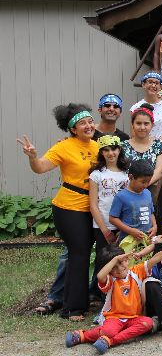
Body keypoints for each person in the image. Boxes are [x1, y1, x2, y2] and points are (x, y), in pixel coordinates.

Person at [18, 103, 98, 321]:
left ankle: (80, 300)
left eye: (90, 121)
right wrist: (32, 156)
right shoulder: (63, 147)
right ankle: (73, 308)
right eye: (82, 123)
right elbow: (41, 167)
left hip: (92, 207)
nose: (88, 126)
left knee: (83, 253)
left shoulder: (97, 146)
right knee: (79, 253)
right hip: (69, 207)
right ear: (72, 129)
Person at [65, 242, 162, 353]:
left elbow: (156, 258)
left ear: (126, 260)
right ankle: (82, 335)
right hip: (114, 318)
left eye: (121, 263)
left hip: (133, 318)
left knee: (147, 323)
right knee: (109, 331)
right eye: (114, 267)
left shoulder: (137, 272)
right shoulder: (110, 280)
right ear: (109, 269)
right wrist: (116, 259)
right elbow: (100, 276)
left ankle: (110, 341)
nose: (120, 268)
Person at [88, 135, 130, 300]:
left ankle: (120, 294)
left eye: (114, 149)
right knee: (104, 260)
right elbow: (93, 205)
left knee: (122, 260)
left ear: (119, 150)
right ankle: (100, 295)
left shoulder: (127, 174)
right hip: (102, 225)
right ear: (101, 153)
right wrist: (105, 230)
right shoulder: (96, 175)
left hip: (123, 225)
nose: (110, 153)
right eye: (106, 150)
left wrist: (123, 228)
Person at [122, 103, 162, 203]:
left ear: (152, 125)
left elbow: (159, 171)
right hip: (125, 193)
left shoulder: (159, 145)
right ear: (132, 125)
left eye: (146, 124)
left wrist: (141, 185)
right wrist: (131, 188)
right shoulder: (123, 146)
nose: (142, 127)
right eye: (138, 123)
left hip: (149, 193)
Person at [109, 160, 157, 242]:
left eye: (148, 182)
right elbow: (112, 219)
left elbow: (151, 212)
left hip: (146, 239)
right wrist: (130, 231)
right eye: (143, 182)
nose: (146, 185)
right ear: (131, 177)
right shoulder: (121, 196)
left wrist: (155, 226)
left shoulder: (147, 193)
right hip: (128, 240)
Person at [131, 72, 162, 145]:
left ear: (160, 87)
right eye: (150, 82)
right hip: (141, 145)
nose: (153, 85)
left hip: (159, 146)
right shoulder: (135, 107)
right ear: (143, 85)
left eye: (156, 83)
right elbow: (133, 133)